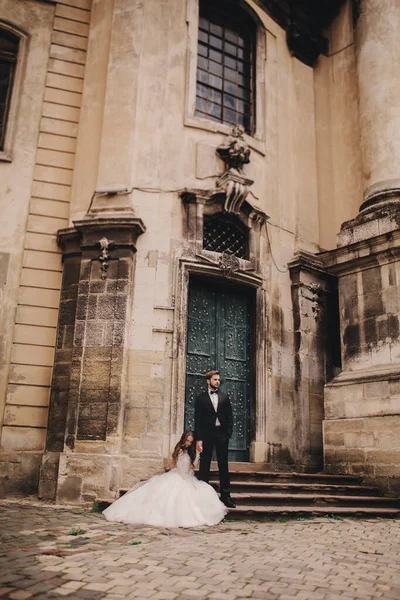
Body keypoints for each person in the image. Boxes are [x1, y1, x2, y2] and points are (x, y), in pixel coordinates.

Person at [102, 430, 227, 528]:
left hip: (188, 477)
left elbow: (193, 465)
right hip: (180, 476)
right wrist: (188, 481)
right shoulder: (179, 450)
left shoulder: (190, 451)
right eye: (187, 440)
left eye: (191, 441)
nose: (188, 443)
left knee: (205, 491)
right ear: (183, 439)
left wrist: (198, 453)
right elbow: (179, 468)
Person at [195, 370, 236, 508]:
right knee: (204, 465)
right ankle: (202, 497)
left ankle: (226, 496)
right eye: (215, 380)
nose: (217, 382)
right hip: (207, 435)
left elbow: (230, 416)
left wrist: (228, 433)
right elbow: (198, 420)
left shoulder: (224, 397)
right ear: (208, 381)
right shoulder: (200, 398)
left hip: (221, 435)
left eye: (218, 380)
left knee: (223, 465)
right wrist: (198, 439)